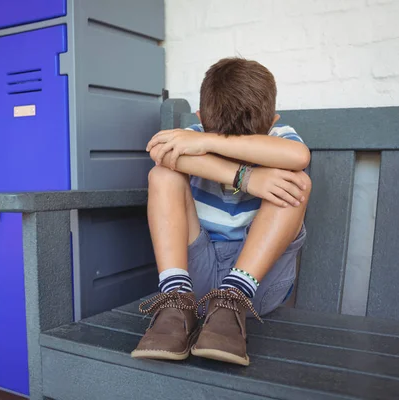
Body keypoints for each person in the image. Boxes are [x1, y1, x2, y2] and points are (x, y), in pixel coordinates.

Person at [131, 57, 312, 366]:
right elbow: (161, 153)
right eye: (209, 136)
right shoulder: (192, 134)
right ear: (200, 120)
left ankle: (232, 297)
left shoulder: (279, 136)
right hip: (196, 278)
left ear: (273, 122)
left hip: (255, 288)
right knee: (162, 174)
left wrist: (210, 143)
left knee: (298, 184)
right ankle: (175, 299)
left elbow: (299, 156)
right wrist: (248, 178)